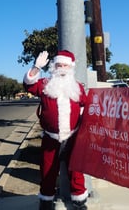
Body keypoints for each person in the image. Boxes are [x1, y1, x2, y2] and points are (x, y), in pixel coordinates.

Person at [23, 50, 88, 210]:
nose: (62, 68)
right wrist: (36, 67)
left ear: (71, 67)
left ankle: (79, 201)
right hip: (50, 137)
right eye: (59, 65)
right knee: (47, 171)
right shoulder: (45, 84)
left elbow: (86, 106)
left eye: (65, 65)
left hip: (73, 136)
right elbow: (29, 85)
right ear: (53, 66)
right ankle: (46, 201)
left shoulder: (77, 87)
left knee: (76, 169)